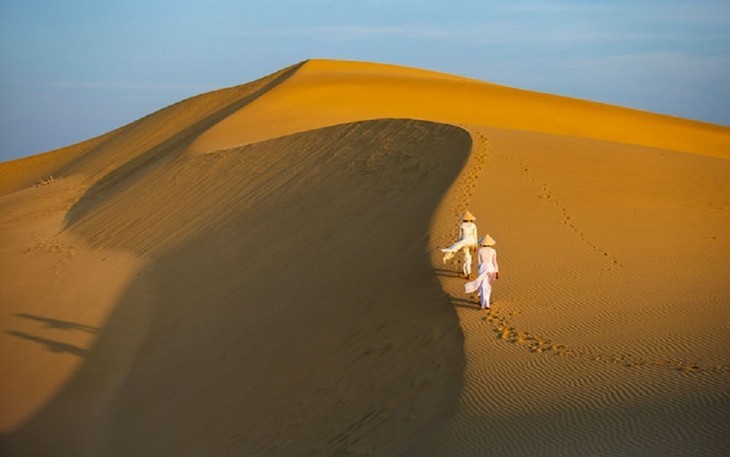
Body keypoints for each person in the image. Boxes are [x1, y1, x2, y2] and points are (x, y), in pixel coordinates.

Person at [465, 235, 499, 310]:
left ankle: (484, 303)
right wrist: (497, 272)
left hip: (482, 268)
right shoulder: (493, 251)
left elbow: (479, 263)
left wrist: (479, 272)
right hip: (491, 269)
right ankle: (486, 303)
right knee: (488, 286)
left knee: (483, 286)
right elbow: (495, 262)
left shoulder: (480, 250)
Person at [441, 211, 478, 278]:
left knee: (466, 255)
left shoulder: (462, 225)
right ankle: (468, 271)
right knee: (469, 256)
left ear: (463, 219)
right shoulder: (473, 225)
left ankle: (467, 272)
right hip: (472, 241)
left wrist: (459, 244)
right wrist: (476, 245)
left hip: (464, 242)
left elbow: (459, 236)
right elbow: (475, 235)